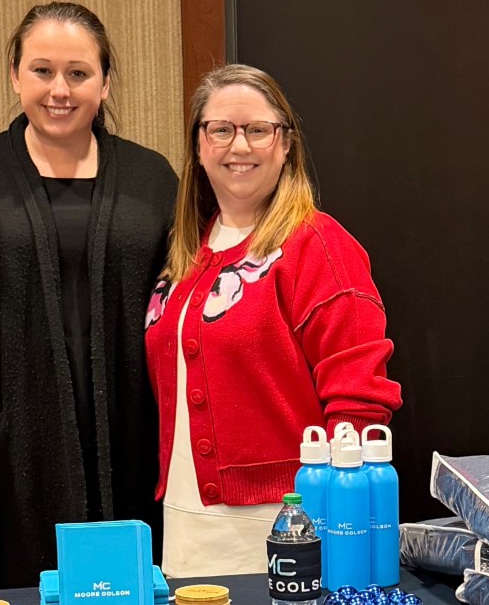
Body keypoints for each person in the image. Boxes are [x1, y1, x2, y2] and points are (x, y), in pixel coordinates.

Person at [0, 3, 178, 588]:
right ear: (14, 76)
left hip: (131, 432)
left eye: (78, 73)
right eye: (42, 71)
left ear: (104, 82)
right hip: (11, 440)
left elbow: (189, 289)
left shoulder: (153, 179)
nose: (60, 90)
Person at [146, 64, 400, 578]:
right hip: (186, 523)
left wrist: (330, 524)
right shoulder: (187, 250)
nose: (239, 146)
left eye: (258, 130)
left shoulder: (319, 246)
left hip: (284, 525)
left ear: (286, 145)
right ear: (199, 147)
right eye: (221, 129)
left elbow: (358, 398)